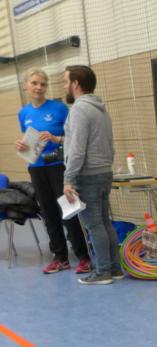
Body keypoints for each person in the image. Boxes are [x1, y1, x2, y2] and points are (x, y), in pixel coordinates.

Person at [15, 68, 91, 275]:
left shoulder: (59, 109)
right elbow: (29, 140)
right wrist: (22, 146)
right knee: (49, 214)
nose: (39, 87)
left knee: (69, 211)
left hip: (59, 167)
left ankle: (83, 257)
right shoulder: (23, 113)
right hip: (36, 169)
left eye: (43, 84)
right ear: (26, 86)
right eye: (34, 83)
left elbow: (72, 138)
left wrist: (55, 139)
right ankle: (60, 258)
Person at [61, 65, 121, 285]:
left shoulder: (79, 109)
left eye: (66, 81)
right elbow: (108, 144)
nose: (64, 86)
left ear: (75, 84)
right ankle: (114, 269)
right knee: (104, 223)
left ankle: (103, 272)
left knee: (94, 225)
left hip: (88, 176)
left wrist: (69, 179)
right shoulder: (101, 109)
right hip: (104, 173)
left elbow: (77, 149)